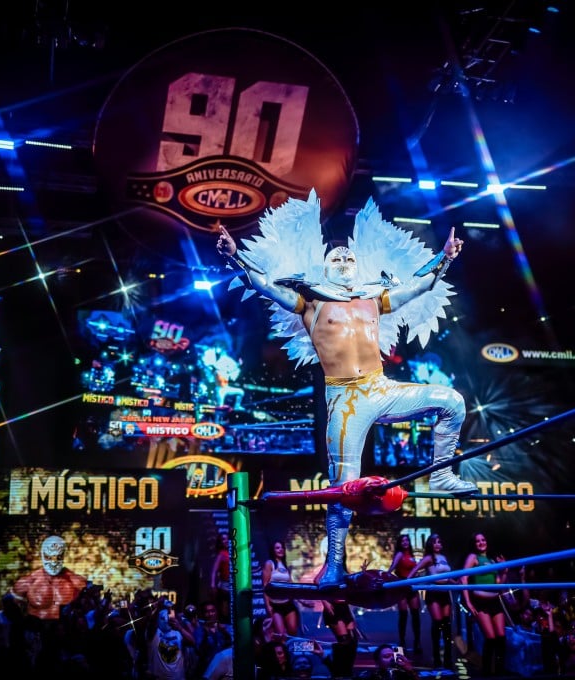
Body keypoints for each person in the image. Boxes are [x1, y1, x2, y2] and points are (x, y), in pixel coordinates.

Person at [217, 191, 478, 589]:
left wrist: (446, 257)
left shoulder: (376, 299)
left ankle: (441, 475)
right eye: (336, 259)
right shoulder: (309, 302)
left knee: (452, 401)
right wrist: (234, 254)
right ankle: (334, 564)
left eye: (349, 259)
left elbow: (421, 287)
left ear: (358, 267)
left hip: (380, 387)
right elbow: (265, 284)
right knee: (344, 487)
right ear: (324, 267)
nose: (343, 263)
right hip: (345, 400)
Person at [460, 533, 509, 676]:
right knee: (491, 638)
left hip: (494, 600)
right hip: (480, 602)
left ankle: (500, 670)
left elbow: (499, 584)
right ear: (474, 544)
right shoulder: (473, 557)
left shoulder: (492, 560)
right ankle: (487, 672)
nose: (481, 543)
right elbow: (464, 578)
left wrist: (504, 570)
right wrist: (468, 602)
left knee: (501, 637)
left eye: (483, 540)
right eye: (477, 541)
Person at [406, 533, 456, 670]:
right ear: (430, 544)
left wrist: (458, 583)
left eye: (439, 542)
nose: (438, 544)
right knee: (438, 623)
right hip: (434, 593)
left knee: (446, 625)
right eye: (435, 542)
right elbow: (415, 570)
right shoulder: (429, 558)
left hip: (445, 592)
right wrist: (407, 582)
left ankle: (447, 659)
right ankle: (436, 659)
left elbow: (447, 577)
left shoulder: (444, 558)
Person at [9, 535, 88, 621]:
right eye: (49, 557)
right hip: (36, 630)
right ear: (42, 555)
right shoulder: (26, 583)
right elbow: (9, 614)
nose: (53, 563)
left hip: (66, 631)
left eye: (58, 557)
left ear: (63, 556)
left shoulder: (77, 582)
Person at [387, 532, 423, 655]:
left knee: (415, 615)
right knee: (403, 615)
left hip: (412, 586)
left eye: (407, 540)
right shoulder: (399, 554)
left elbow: (414, 570)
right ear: (400, 543)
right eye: (403, 541)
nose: (405, 543)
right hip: (401, 586)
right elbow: (392, 567)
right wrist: (385, 577)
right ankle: (402, 642)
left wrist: (418, 575)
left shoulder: (412, 556)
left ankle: (417, 642)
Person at [261, 539, 301, 638]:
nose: (281, 550)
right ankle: (278, 651)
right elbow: (265, 586)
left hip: (288, 604)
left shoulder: (286, 566)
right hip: (275, 606)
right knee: (281, 635)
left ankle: (291, 652)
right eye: (277, 548)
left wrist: (303, 601)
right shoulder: (269, 564)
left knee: (293, 632)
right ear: (273, 550)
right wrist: (268, 605)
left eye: (282, 547)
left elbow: (292, 588)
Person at [201, 342, 245, 411]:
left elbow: (233, 369)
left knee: (241, 392)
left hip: (226, 388)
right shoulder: (213, 365)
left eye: (220, 348)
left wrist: (238, 365)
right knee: (220, 406)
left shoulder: (226, 362)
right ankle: (217, 418)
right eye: (217, 347)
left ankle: (237, 406)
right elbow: (206, 364)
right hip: (219, 390)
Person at [356, 643, 420, 680]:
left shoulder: (402, 674)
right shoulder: (370, 677)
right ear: (378, 662)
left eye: (393, 656)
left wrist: (410, 670)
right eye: (387, 656)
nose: (392, 658)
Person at [210, 533, 232, 622]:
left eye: (227, 539)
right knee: (224, 610)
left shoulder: (233, 553)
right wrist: (212, 584)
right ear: (220, 542)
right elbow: (214, 571)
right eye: (223, 539)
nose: (226, 541)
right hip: (225, 586)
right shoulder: (221, 554)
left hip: (234, 585)